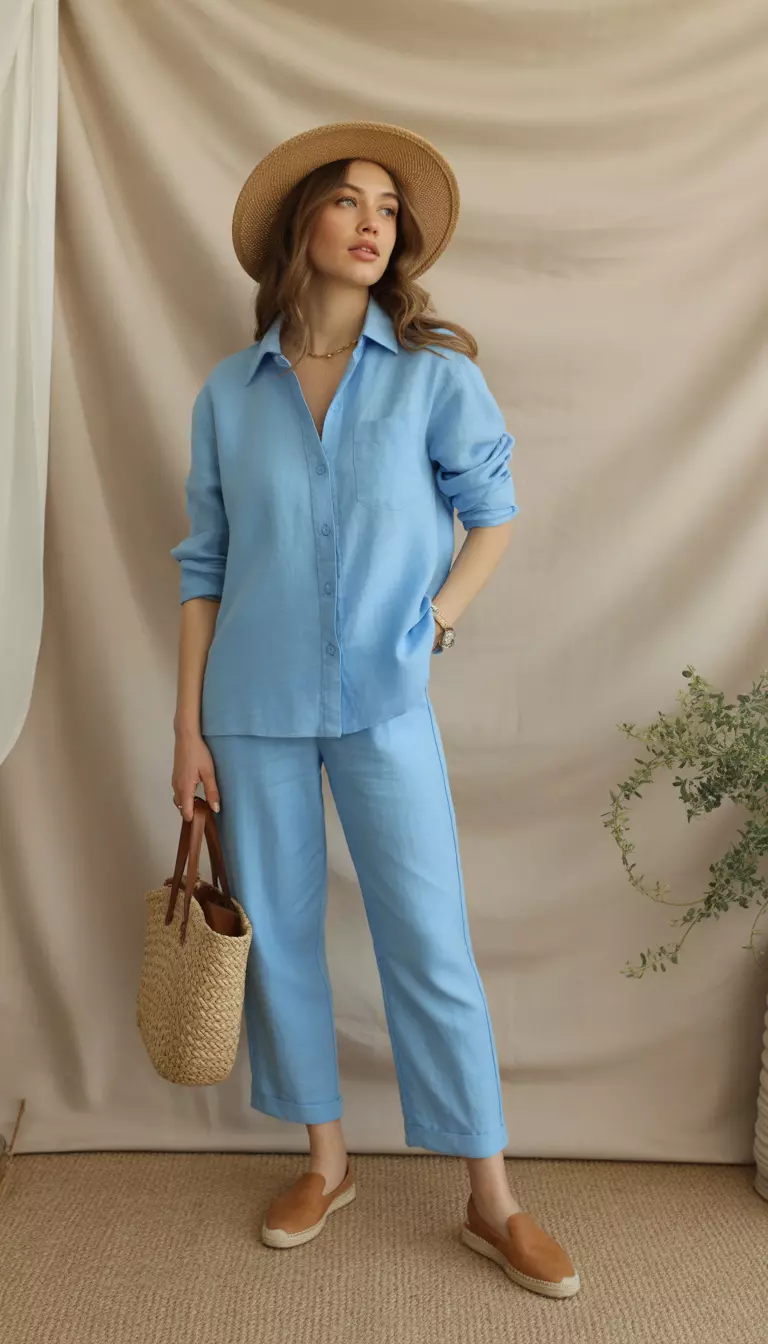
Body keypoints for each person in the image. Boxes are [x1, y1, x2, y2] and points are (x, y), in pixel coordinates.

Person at [170, 121, 579, 1299]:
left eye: (387, 209)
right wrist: (185, 731)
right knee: (284, 941)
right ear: (303, 224)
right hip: (247, 705)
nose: (369, 220)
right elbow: (203, 570)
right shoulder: (227, 395)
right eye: (347, 200)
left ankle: (490, 1198)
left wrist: (440, 615)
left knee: (429, 941)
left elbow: (493, 513)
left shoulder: (434, 376)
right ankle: (325, 1159)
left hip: (385, 698)